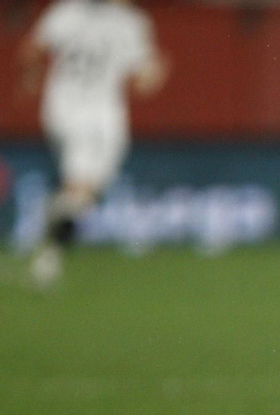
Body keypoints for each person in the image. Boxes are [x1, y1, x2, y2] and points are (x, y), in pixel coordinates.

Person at [15, 0, 167, 287]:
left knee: (85, 193)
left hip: (78, 113)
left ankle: (55, 214)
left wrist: (31, 78)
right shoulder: (129, 21)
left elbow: (31, 49)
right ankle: (48, 259)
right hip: (86, 114)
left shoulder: (67, 12)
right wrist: (157, 72)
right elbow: (144, 81)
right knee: (81, 187)